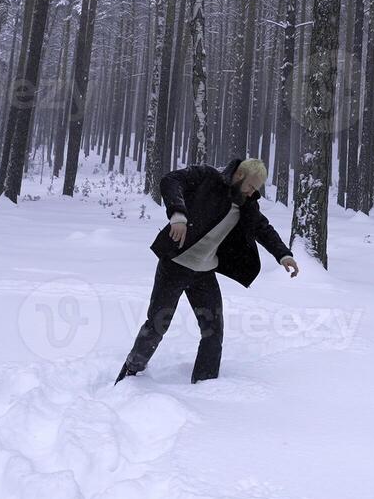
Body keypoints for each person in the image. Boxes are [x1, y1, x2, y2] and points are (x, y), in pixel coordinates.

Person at [115, 157, 299, 384]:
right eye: (251, 187)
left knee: (213, 331)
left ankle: (205, 385)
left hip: (204, 272)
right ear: (239, 176)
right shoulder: (207, 177)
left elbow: (263, 229)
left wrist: (284, 255)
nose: (252, 193)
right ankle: (130, 373)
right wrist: (177, 215)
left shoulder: (247, 204)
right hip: (176, 264)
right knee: (157, 324)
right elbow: (170, 180)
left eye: (255, 189)